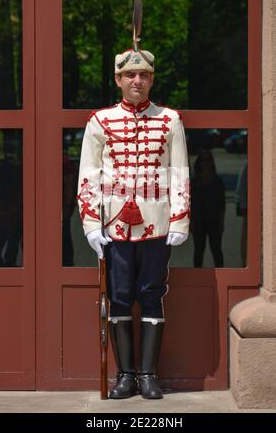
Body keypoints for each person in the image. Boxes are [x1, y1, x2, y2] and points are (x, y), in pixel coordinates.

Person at [77, 48, 190, 399]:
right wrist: (91, 223)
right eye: (129, 76)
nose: (136, 81)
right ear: (118, 80)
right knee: (120, 297)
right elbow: (88, 175)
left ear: (152, 79)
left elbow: (180, 172)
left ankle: (148, 375)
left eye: (143, 75)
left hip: (156, 224)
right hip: (115, 225)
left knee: (151, 295)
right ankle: (125, 375)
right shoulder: (100, 121)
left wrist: (179, 219)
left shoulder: (170, 120)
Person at [190, 149, 225, 267]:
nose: (206, 163)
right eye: (203, 160)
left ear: (212, 162)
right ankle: (197, 278)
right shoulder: (194, 182)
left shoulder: (218, 182)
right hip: (198, 222)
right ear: (199, 162)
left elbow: (222, 204)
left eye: (208, 160)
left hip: (214, 222)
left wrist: (221, 222)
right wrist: (190, 222)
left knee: (216, 251)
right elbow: (189, 203)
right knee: (198, 252)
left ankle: (222, 277)